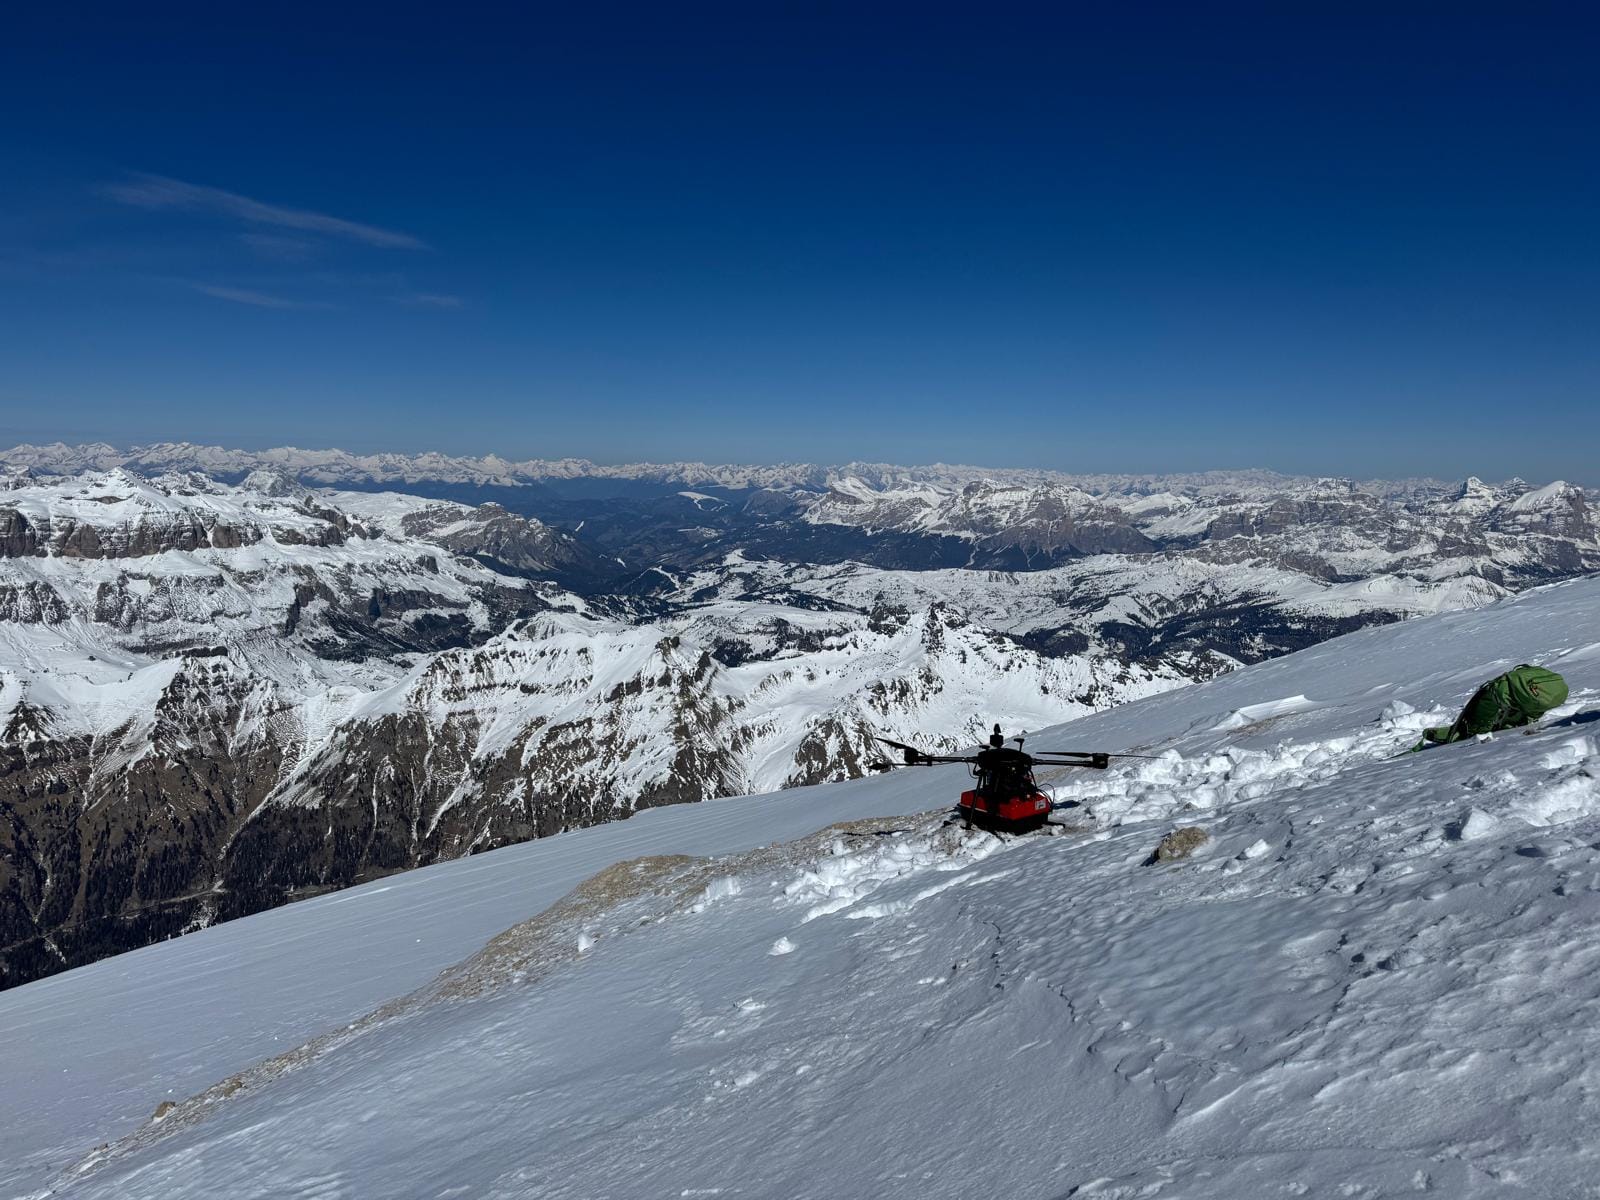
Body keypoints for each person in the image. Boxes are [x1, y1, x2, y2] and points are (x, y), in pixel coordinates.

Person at [1411, 664, 1569, 751]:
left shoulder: (1496, 693)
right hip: (1537, 696)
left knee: (1476, 725)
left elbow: (1479, 730)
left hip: (1499, 699)